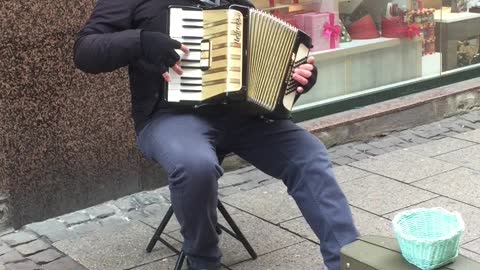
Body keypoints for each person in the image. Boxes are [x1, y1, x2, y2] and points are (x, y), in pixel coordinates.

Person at [74, 0, 359, 269]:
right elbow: (85, 51)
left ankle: (347, 261)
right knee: (195, 165)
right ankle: (203, 261)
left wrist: (298, 78)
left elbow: (270, 61)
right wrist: (141, 41)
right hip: (170, 117)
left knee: (309, 154)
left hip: (243, 117)